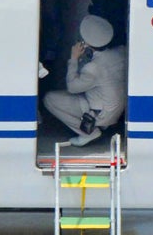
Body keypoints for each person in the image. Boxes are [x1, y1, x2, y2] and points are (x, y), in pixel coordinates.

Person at [43, 15, 126, 147]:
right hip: (116, 110)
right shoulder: (121, 52)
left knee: (49, 98)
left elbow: (72, 87)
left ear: (84, 43)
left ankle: (88, 133)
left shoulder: (93, 68)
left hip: (101, 115)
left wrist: (74, 59)